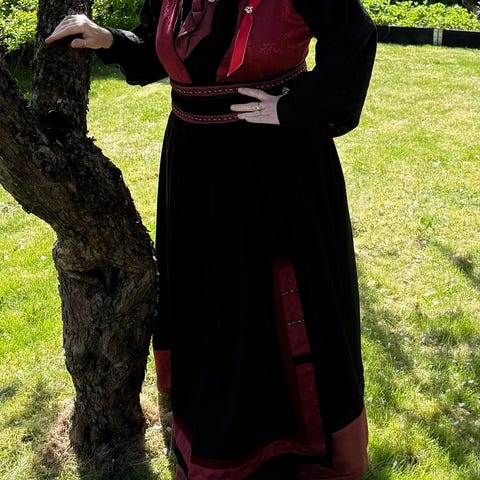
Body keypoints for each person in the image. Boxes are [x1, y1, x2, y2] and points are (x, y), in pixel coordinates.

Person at [46, 1, 377, 479]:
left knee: (265, 302)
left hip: (274, 168)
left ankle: (285, 443)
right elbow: (159, 49)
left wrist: (294, 106)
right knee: (209, 298)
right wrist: (109, 39)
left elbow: (354, 37)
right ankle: (215, 431)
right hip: (194, 169)